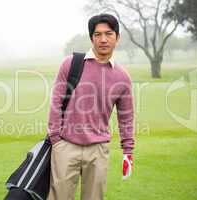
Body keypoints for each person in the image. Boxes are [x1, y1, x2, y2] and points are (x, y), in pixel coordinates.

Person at [47, 13, 135, 200]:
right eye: (98, 34)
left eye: (109, 34)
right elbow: (55, 102)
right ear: (91, 38)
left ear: (117, 38)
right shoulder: (70, 64)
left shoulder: (122, 76)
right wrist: (56, 139)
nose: (103, 39)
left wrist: (128, 151)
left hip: (98, 149)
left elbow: (126, 116)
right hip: (66, 145)